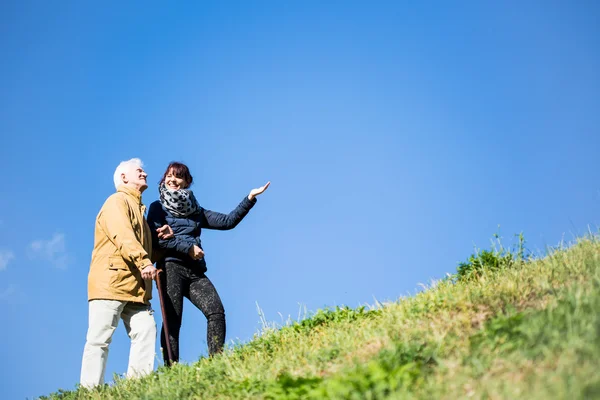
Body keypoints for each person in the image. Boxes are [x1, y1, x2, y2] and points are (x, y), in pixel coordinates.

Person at [147, 162, 269, 365]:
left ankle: (216, 363)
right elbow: (156, 238)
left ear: (187, 182)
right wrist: (187, 248)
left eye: (178, 177)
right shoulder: (157, 207)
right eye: (169, 176)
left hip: (194, 271)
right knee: (172, 321)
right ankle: (172, 370)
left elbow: (227, 221)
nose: (172, 180)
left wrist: (250, 198)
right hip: (170, 268)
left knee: (216, 311)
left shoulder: (196, 211)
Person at [80, 158, 173, 389]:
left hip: (136, 287)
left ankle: (137, 387)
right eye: (139, 171)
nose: (145, 174)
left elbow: (147, 251)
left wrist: (161, 241)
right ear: (124, 177)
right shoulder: (116, 202)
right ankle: (90, 391)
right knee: (99, 338)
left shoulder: (140, 214)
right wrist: (144, 262)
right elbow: (123, 236)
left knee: (146, 330)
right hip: (110, 282)